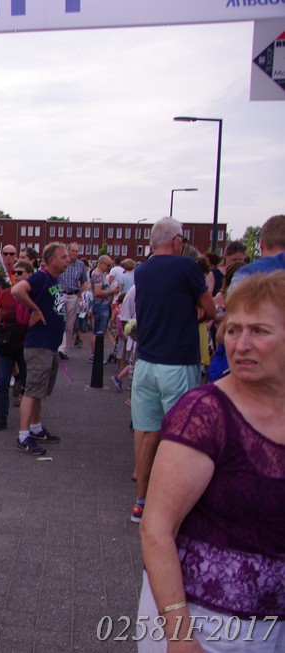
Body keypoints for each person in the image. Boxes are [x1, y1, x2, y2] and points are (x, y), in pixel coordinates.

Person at [137, 271, 285, 652]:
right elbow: (156, 529)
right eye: (233, 330)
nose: (241, 344)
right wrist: (180, 635)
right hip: (207, 624)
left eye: (259, 331)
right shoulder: (204, 413)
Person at [130, 218, 216, 524]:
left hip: (145, 362)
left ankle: (141, 503)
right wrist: (196, 313)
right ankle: (174, 504)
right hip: (178, 362)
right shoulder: (187, 268)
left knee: (147, 432)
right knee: (179, 435)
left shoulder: (141, 270)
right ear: (177, 241)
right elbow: (211, 309)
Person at [11, 242, 69, 456]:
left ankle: (35, 427)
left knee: (39, 391)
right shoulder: (41, 277)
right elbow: (17, 290)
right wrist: (34, 309)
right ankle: (23, 435)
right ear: (52, 260)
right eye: (64, 257)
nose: (68, 260)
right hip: (39, 345)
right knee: (32, 390)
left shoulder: (54, 280)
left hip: (49, 345)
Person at [0, 260, 33, 431]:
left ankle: (31, 418)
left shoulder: (34, 294)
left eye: (20, 273)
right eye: (15, 273)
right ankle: (1, 415)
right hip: (7, 339)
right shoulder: (6, 294)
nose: (16, 275)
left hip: (26, 341)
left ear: (30, 275)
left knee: (28, 381)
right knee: (2, 381)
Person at [56, 242, 89, 360]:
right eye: (72, 251)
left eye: (77, 251)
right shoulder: (62, 261)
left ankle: (63, 349)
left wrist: (79, 293)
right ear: (68, 251)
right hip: (61, 294)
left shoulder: (80, 265)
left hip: (73, 295)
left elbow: (84, 281)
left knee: (69, 324)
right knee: (59, 320)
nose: (74, 253)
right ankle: (57, 346)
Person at [88, 255, 120, 362]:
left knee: (98, 330)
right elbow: (97, 292)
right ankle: (95, 356)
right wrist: (112, 291)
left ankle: (96, 355)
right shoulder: (98, 275)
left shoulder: (100, 274)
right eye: (108, 265)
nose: (109, 268)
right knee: (99, 332)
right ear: (101, 263)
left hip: (102, 305)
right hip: (100, 306)